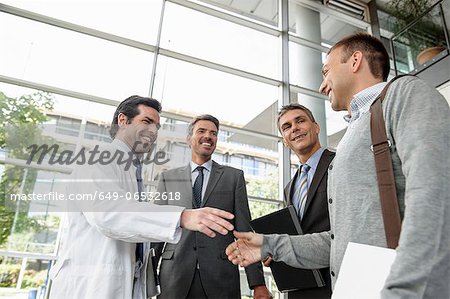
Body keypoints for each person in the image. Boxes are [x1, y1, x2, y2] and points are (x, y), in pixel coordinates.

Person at [226, 33, 450, 298]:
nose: (322, 86)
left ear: (355, 61)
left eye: (326, 71)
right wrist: (269, 244)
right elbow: (338, 241)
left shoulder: (404, 93)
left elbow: (436, 192)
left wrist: (407, 289)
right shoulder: (351, 138)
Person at [49, 96, 235, 299]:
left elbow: (136, 228)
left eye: (157, 126)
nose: (154, 131)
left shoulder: (130, 170)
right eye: (146, 122)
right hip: (90, 285)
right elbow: (108, 212)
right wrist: (182, 217)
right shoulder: (98, 159)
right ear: (123, 121)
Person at [152, 114, 272, 299]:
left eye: (213, 133)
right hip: (175, 275)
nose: (208, 136)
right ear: (189, 138)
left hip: (220, 276)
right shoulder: (169, 178)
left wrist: (258, 284)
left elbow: (244, 232)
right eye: (202, 131)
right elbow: (157, 229)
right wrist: (146, 280)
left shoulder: (233, 177)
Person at [277, 103, 334, 298]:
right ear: (285, 140)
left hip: (338, 281)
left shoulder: (340, 163)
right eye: (287, 127)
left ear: (316, 127)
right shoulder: (289, 188)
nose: (294, 128)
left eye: (300, 121)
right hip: (302, 286)